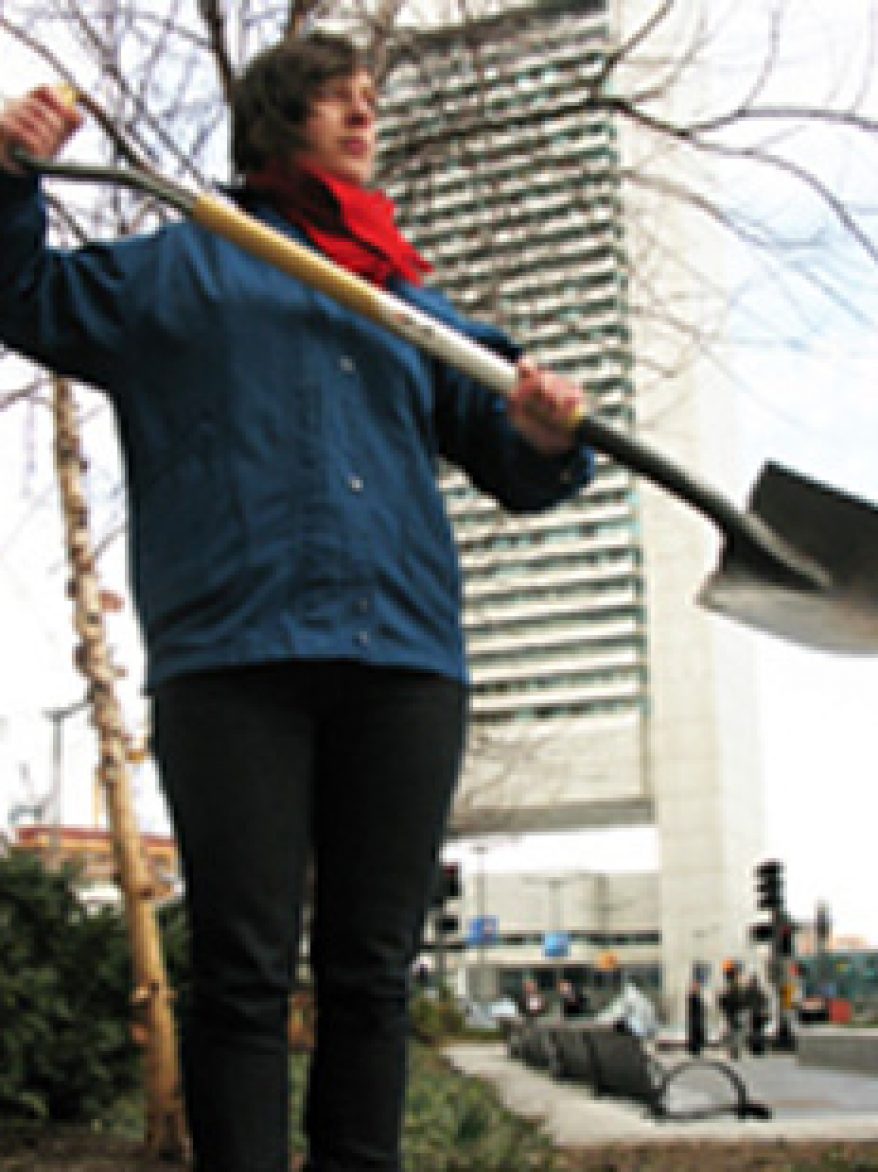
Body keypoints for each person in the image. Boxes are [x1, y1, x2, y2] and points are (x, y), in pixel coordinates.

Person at [0, 32, 594, 1172]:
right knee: (243, 969)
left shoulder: (411, 298)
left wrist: (536, 431)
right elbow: (22, 292)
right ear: (279, 121)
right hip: (234, 658)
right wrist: (8, 176)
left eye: (371, 100)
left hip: (405, 662)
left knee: (373, 972)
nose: (364, 116)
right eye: (336, 99)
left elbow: (510, 456)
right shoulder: (175, 271)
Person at [744, 972, 770, 1056]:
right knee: (758, 1032)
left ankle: (755, 1049)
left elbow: (744, 1002)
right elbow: (765, 1001)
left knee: (755, 1032)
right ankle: (759, 1049)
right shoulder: (760, 992)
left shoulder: (748, 992)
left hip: (753, 1014)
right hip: (758, 1014)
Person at [685, 975, 706, 1057]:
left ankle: (697, 1049)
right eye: (695, 986)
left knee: (697, 1034)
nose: (697, 988)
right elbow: (694, 1007)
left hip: (697, 1018)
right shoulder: (693, 996)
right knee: (695, 1034)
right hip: (695, 1018)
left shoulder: (696, 996)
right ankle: (694, 1049)